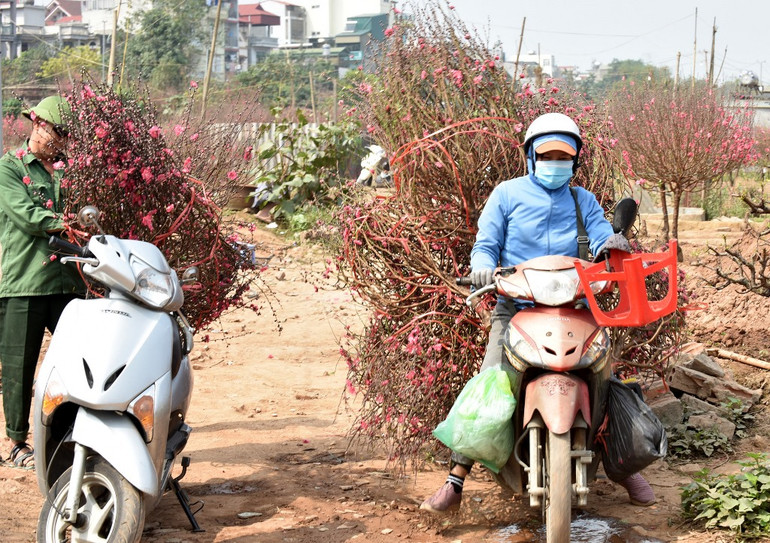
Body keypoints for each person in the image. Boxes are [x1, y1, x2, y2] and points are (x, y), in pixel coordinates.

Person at [419, 112, 656, 514]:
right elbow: (486, 243)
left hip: (578, 306)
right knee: (491, 381)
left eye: (563, 156)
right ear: (530, 156)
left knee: (605, 377)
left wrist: (612, 244)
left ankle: (623, 464)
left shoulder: (584, 200)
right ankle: (456, 479)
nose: (554, 163)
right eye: (546, 155)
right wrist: (481, 265)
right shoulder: (506, 195)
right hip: (516, 307)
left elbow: (600, 236)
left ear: (575, 161)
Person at [0, 95, 85, 469]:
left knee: (79, 360)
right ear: (36, 125)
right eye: (56, 132)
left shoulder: (71, 171)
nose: (61, 140)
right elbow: (28, 217)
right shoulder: (9, 169)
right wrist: (68, 224)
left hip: (69, 283)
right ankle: (16, 442)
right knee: (19, 364)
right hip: (24, 283)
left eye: (66, 135)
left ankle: (72, 432)